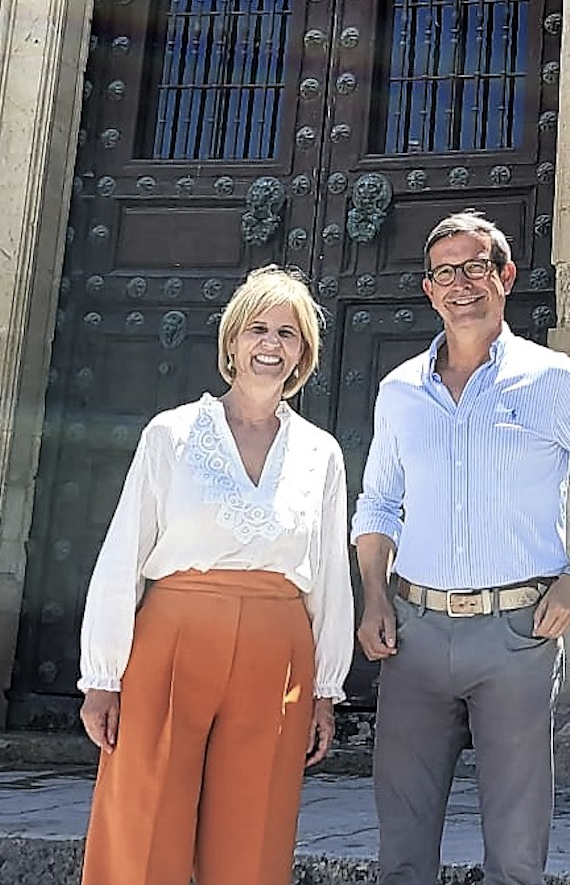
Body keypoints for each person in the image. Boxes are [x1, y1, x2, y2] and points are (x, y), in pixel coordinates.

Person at [352, 211, 570, 885]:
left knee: (515, 854)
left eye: (475, 267)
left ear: (506, 276)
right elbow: (378, 504)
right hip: (414, 634)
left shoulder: (551, 379)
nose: (461, 284)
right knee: (402, 848)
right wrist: (373, 595)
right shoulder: (399, 391)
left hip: (516, 634)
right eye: (445, 273)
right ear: (429, 290)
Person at [77, 265, 354, 885]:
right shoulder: (171, 434)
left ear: (303, 353)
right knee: (144, 821)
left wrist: (325, 689)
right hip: (173, 638)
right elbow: (124, 554)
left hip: (276, 650)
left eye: (287, 333)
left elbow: (330, 575)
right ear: (232, 340)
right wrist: (101, 677)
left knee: (253, 834)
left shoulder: (321, 453)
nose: (271, 344)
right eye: (258, 329)